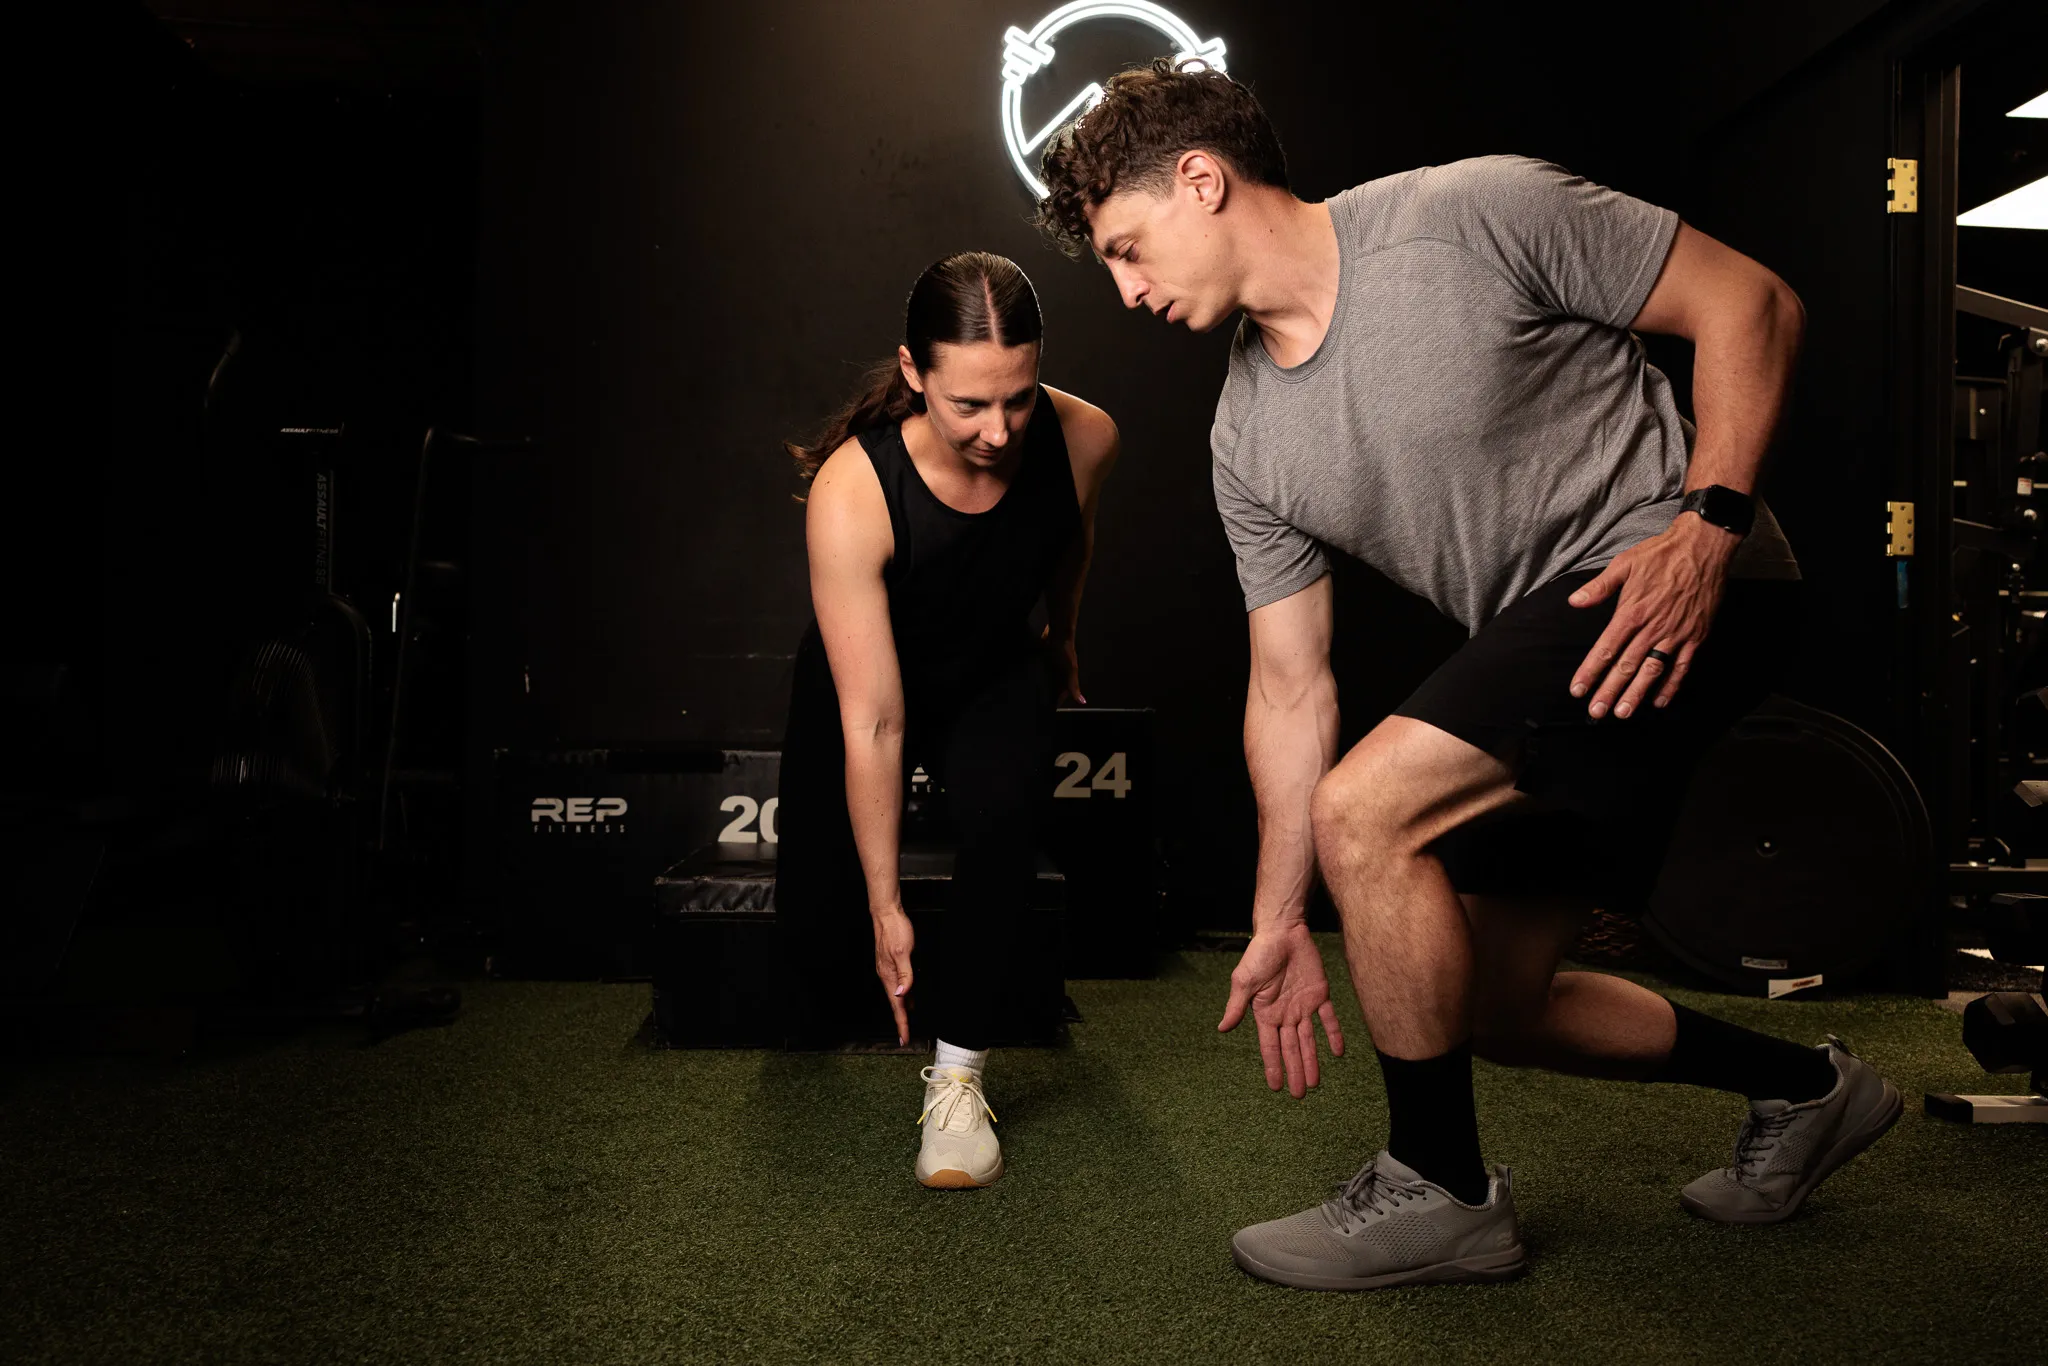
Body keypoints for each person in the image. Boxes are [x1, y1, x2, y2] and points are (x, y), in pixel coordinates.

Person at [1034, 61, 1901, 1286]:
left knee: (1368, 809)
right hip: (1566, 653)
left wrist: (1705, 529)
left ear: (1199, 179)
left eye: (1127, 248)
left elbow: (1748, 302)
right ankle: (1808, 1090)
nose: (1124, 290)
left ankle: (1438, 1191)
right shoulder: (1247, 437)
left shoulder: (1468, 213)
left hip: (1686, 580)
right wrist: (1279, 916)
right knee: (1488, 1000)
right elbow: (1289, 687)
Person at [776, 252, 1119, 1190]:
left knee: (1006, 819)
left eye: (1017, 396)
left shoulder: (1085, 436)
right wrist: (887, 905)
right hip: (865, 679)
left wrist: (1067, 641)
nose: (1000, 430)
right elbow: (876, 721)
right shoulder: (856, 490)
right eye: (968, 404)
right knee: (819, 902)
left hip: (991, 665)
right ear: (914, 371)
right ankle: (814, 999)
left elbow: (1070, 545)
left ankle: (958, 1081)